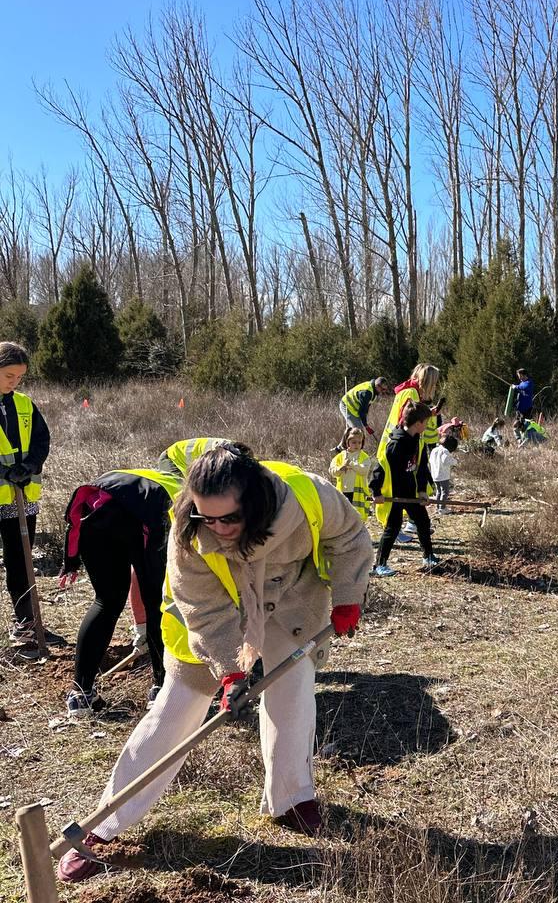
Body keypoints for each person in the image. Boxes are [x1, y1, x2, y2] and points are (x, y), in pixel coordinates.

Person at [57, 444, 372, 882]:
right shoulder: (189, 533)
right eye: (209, 518)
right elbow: (203, 611)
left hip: (292, 599)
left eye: (229, 518)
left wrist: (348, 595)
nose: (218, 528)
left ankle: (292, 797)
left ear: (255, 503)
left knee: (293, 690)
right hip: (218, 613)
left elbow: (351, 537)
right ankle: (105, 824)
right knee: (177, 706)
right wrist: (231, 672)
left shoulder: (308, 497)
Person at [57, 467, 184, 717]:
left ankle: (81, 695)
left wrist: (70, 560)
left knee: (106, 601)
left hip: (95, 513)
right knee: (158, 602)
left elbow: (78, 512)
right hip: (140, 521)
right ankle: (160, 689)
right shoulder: (186, 494)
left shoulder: (139, 477)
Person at [0, 342, 50, 654]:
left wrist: (30, 466)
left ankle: (26, 625)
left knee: (21, 561)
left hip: (21, 498)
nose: (13, 382)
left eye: (19, 377)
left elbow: (42, 440)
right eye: (8, 376)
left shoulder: (24, 404)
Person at [369, 401, 438, 576]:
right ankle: (380, 565)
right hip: (393, 493)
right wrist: (376, 491)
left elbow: (421, 467)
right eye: (427, 423)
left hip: (411, 492)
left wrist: (422, 490)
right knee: (392, 527)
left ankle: (428, 556)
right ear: (418, 423)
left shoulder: (418, 441)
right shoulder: (396, 444)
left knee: (423, 521)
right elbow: (380, 468)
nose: (428, 426)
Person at [328, 428, 372, 520]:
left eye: (359, 442)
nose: (357, 445)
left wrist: (351, 464)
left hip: (357, 493)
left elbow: (363, 470)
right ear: (347, 442)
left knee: (357, 517)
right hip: (343, 491)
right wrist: (341, 468)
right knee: (343, 517)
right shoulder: (339, 457)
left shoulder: (364, 457)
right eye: (354, 442)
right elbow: (332, 471)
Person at [157, 437, 234, 477]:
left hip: (184, 461)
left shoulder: (236, 452)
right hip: (170, 459)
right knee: (179, 494)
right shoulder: (223, 456)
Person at [430, 435, 459, 513]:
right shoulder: (445, 451)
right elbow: (446, 460)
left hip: (435, 474)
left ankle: (438, 507)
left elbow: (431, 461)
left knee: (438, 492)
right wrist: (455, 461)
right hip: (443, 475)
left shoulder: (434, 450)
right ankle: (442, 508)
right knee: (445, 492)